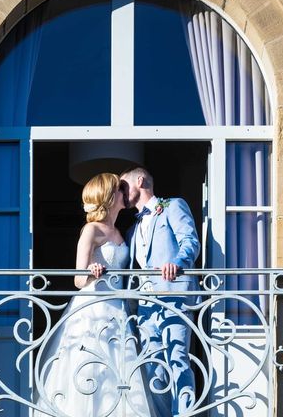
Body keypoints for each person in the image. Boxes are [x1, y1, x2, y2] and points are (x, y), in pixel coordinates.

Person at [34, 173, 156, 417]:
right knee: (89, 372)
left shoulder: (121, 233)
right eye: (120, 189)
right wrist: (92, 272)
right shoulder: (91, 230)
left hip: (118, 311)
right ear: (111, 197)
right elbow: (78, 280)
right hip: (93, 309)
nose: (125, 192)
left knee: (120, 373)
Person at [120, 166, 200, 416]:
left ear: (140, 181)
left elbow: (190, 241)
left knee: (178, 360)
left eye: (124, 186)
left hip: (173, 296)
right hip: (145, 306)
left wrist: (178, 263)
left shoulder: (173, 206)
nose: (121, 192)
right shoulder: (132, 229)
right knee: (152, 368)